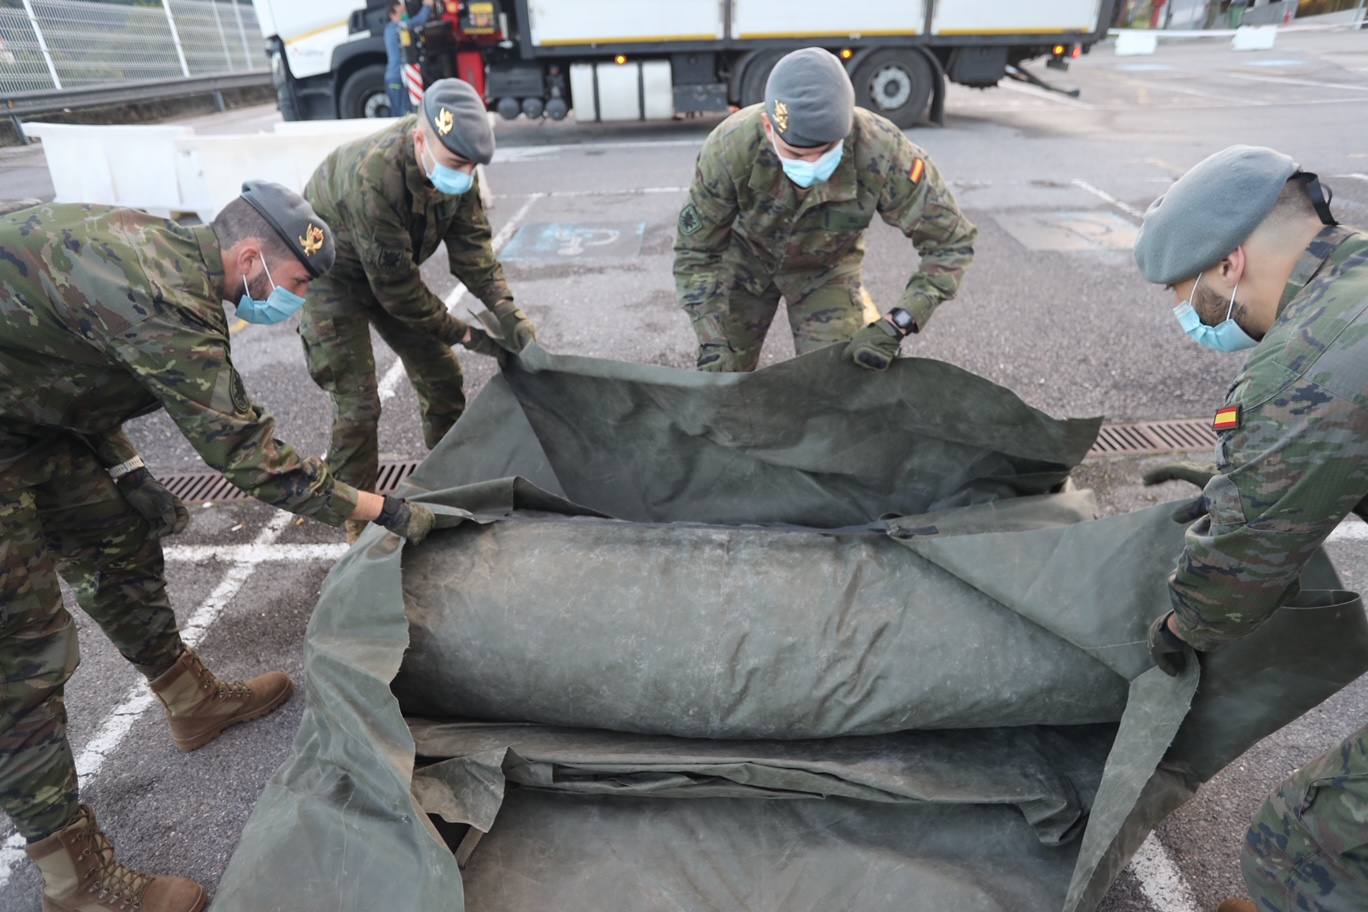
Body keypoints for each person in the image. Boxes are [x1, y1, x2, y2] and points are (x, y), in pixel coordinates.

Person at [0, 182, 434, 912]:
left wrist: (126, 467)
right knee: (23, 650)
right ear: (248, 257)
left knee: (118, 543)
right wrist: (382, 508)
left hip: (31, 409)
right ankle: (76, 884)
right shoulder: (164, 300)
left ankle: (190, 701)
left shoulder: (173, 261)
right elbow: (245, 453)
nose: (294, 300)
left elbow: (71, 356)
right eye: (295, 283)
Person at [1134, 145, 1368, 912]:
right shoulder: (1351, 285)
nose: (1186, 313)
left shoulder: (1308, 359)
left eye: (1185, 292)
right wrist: (1247, 483)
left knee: (1308, 849)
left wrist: (1178, 625)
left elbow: (1236, 578)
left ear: (1229, 265)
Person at [301, 77, 534, 541]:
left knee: (441, 375)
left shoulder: (456, 164)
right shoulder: (375, 177)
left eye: (470, 166)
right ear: (420, 138)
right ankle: (357, 521)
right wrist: (467, 335)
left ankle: (446, 479)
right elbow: (399, 294)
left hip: (390, 270)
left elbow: (473, 254)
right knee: (358, 404)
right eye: (455, 164)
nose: (462, 176)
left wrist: (510, 315)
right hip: (334, 276)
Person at [672, 46, 976, 374]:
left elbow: (951, 244)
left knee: (836, 381)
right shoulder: (730, 148)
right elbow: (696, 254)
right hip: (746, 265)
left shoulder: (882, 151)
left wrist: (897, 323)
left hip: (826, 271)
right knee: (724, 379)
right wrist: (711, 338)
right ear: (769, 126)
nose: (813, 165)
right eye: (797, 155)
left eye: (826, 150)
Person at [384, 0, 433, 117]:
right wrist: (427, 6)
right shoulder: (397, 28)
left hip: (393, 78)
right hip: (397, 79)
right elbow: (419, 21)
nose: (404, 12)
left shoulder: (389, 29)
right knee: (403, 114)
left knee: (400, 113)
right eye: (401, 10)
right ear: (393, 13)